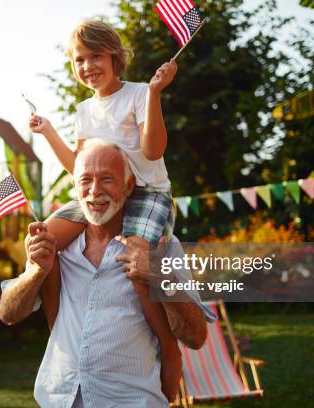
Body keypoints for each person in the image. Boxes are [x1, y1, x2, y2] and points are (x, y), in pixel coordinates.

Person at [28, 19, 181, 398]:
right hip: (100, 195)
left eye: (95, 56)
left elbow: (153, 151)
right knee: (45, 241)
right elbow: (77, 166)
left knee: (136, 267)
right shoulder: (83, 110)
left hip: (145, 195)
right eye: (79, 60)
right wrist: (48, 130)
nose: (87, 66)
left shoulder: (138, 94)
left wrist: (156, 94)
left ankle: (169, 349)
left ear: (115, 58)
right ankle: (61, 334)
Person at [0, 140, 214, 407]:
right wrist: (35, 273)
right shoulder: (56, 250)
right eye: (86, 180)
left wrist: (161, 278)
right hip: (59, 399)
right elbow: (8, 313)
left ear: (128, 186)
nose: (95, 191)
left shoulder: (162, 248)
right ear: (74, 187)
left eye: (107, 179)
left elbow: (196, 337)